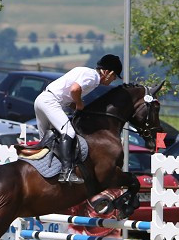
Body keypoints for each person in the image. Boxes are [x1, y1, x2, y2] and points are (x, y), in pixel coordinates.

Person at [33, 54, 123, 183]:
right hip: (50, 102)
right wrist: (79, 104)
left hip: (42, 100)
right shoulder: (93, 76)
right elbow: (75, 89)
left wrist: (76, 105)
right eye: (114, 77)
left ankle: (45, 173)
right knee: (68, 132)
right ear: (108, 72)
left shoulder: (87, 73)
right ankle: (67, 172)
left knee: (47, 140)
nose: (113, 80)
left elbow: (69, 94)